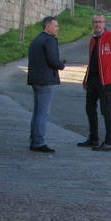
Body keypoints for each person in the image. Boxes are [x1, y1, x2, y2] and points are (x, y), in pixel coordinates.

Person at [78, 12, 111, 152]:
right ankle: (93, 138)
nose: (98, 24)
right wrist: (86, 79)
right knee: (89, 108)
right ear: (93, 24)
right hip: (92, 80)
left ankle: (109, 142)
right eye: (95, 22)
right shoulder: (93, 39)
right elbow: (92, 61)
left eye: (100, 22)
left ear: (104, 23)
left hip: (105, 81)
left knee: (106, 111)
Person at [26, 16, 65, 153]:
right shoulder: (49, 40)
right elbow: (53, 60)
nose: (57, 28)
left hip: (36, 79)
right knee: (43, 113)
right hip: (46, 80)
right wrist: (61, 65)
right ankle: (39, 142)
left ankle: (34, 140)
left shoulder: (37, 39)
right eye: (55, 26)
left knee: (38, 112)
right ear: (48, 26)